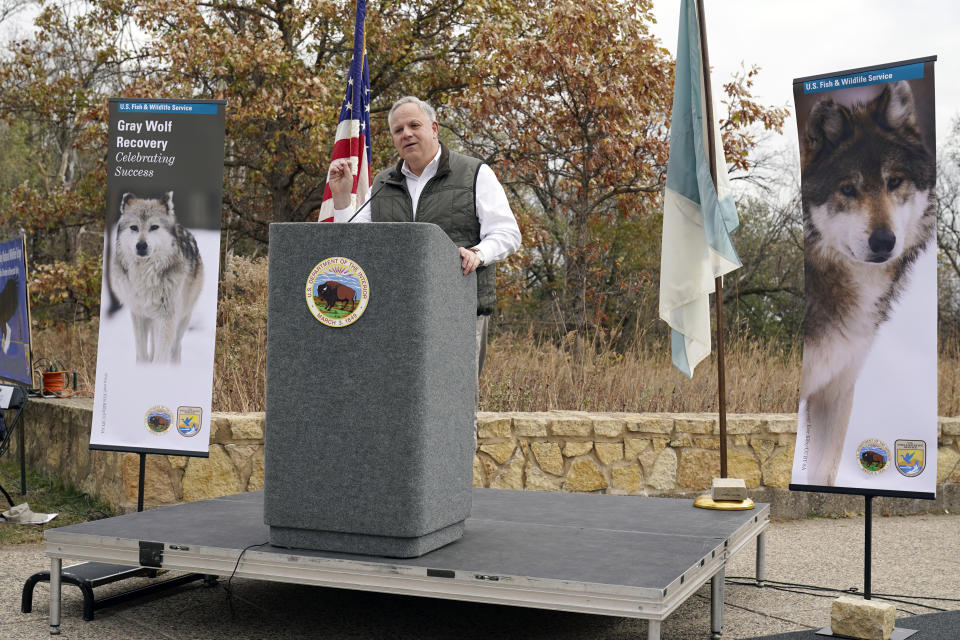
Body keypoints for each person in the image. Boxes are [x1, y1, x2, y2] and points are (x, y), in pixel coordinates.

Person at [327, 96, 521, 377]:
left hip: (457, 310)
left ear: (434, 128)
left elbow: (507, 233)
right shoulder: (382, 183)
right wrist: (343, 198)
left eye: (414, 125)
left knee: (453, 405)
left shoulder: (475, 173)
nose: (406, 133)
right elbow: (355, 247)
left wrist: (478, 254)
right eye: (398, 130)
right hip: (393, 315)